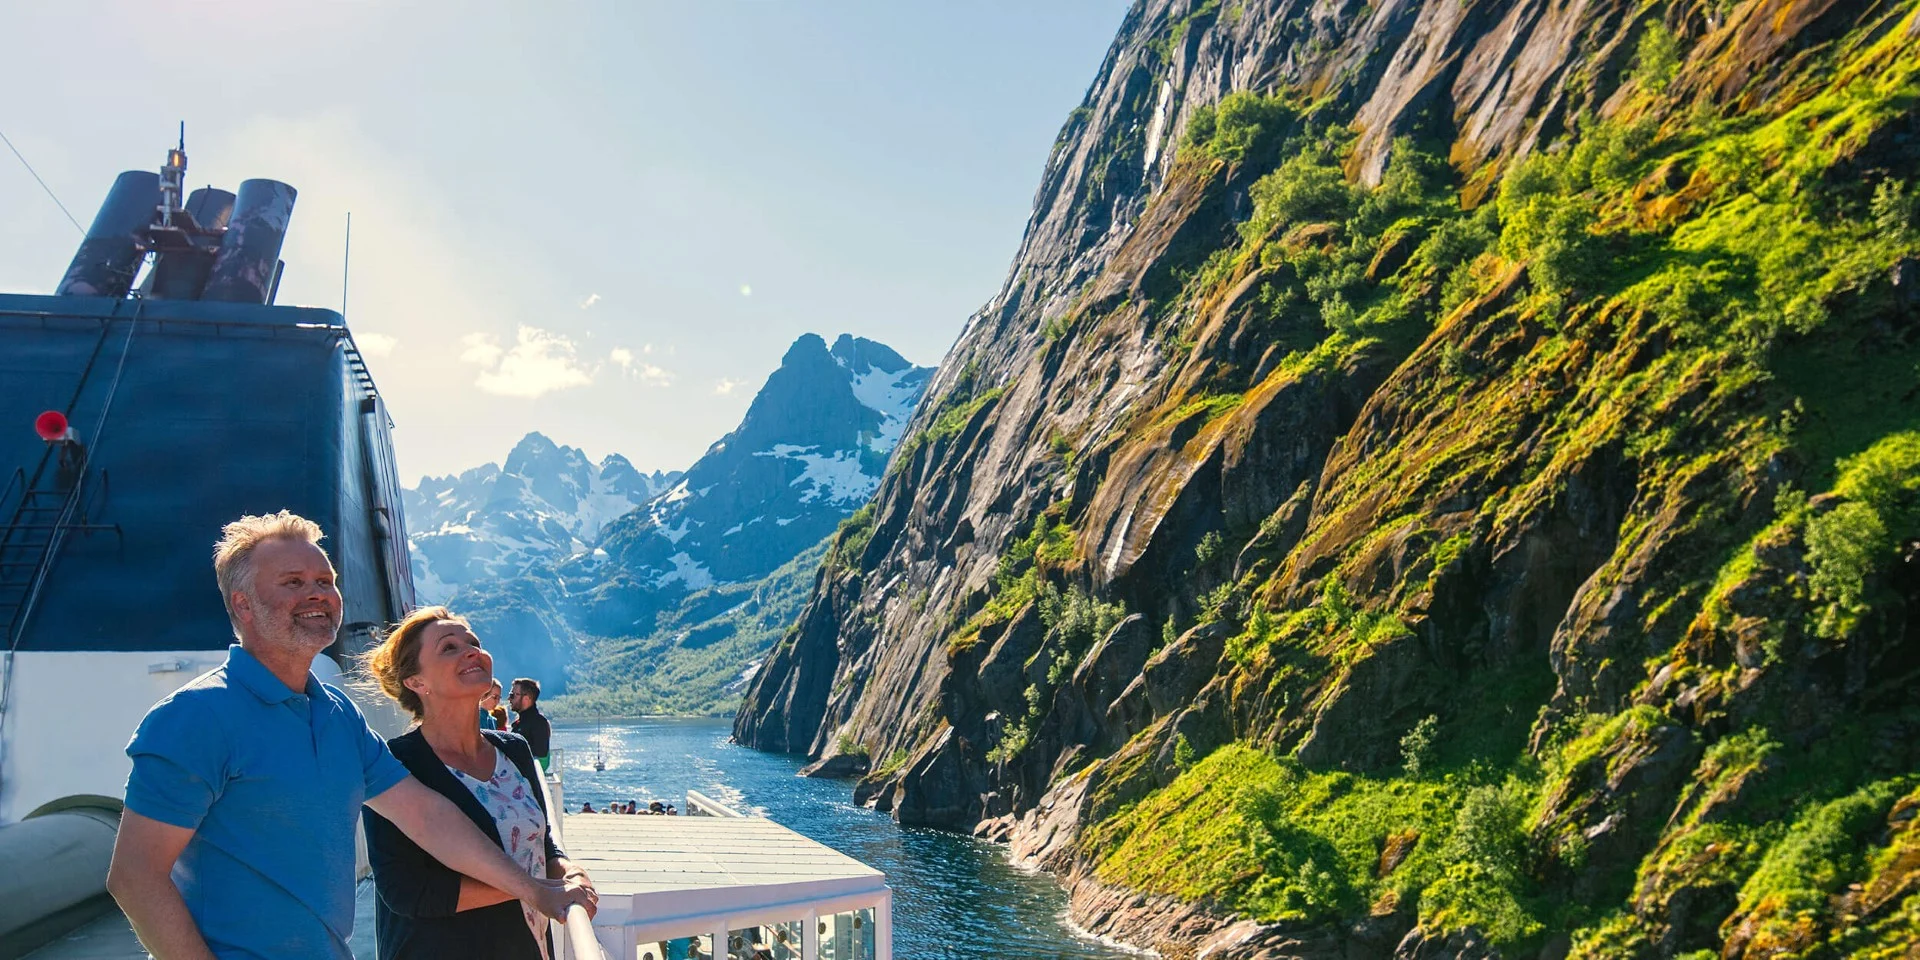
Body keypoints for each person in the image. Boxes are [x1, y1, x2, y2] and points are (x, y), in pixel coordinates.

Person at [106, 511, 588, 960]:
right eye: (293, 582)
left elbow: (425, 814)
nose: (318, 593)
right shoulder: (195, 717)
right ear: (243, 604)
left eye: (325, 581)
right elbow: (135, 876)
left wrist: (533, 887)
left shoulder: (337, 715)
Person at [360, 607, 597, 959]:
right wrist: (536, 889)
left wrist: (569, 873)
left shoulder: (514, 750)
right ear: (416, 682)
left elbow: (541, 844)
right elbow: (408, 891)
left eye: (473, 642)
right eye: (449, 647)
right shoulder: (395, 765)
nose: (472, 650)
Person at [509, 677, 551, 769]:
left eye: (512, 695)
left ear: (526, 699)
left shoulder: (539, 723)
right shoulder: (520, 723)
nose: (509, 698)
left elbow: (541, 754)